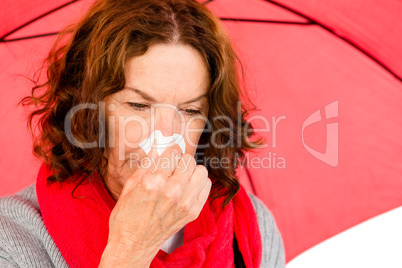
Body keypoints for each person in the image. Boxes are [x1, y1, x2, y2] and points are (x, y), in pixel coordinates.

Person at [0, 0, 285, 267]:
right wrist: (132, 247)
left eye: (190, 111)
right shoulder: (12, 236)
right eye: (138, 105)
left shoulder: (252, 225)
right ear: (88, 112)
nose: (165, 138)